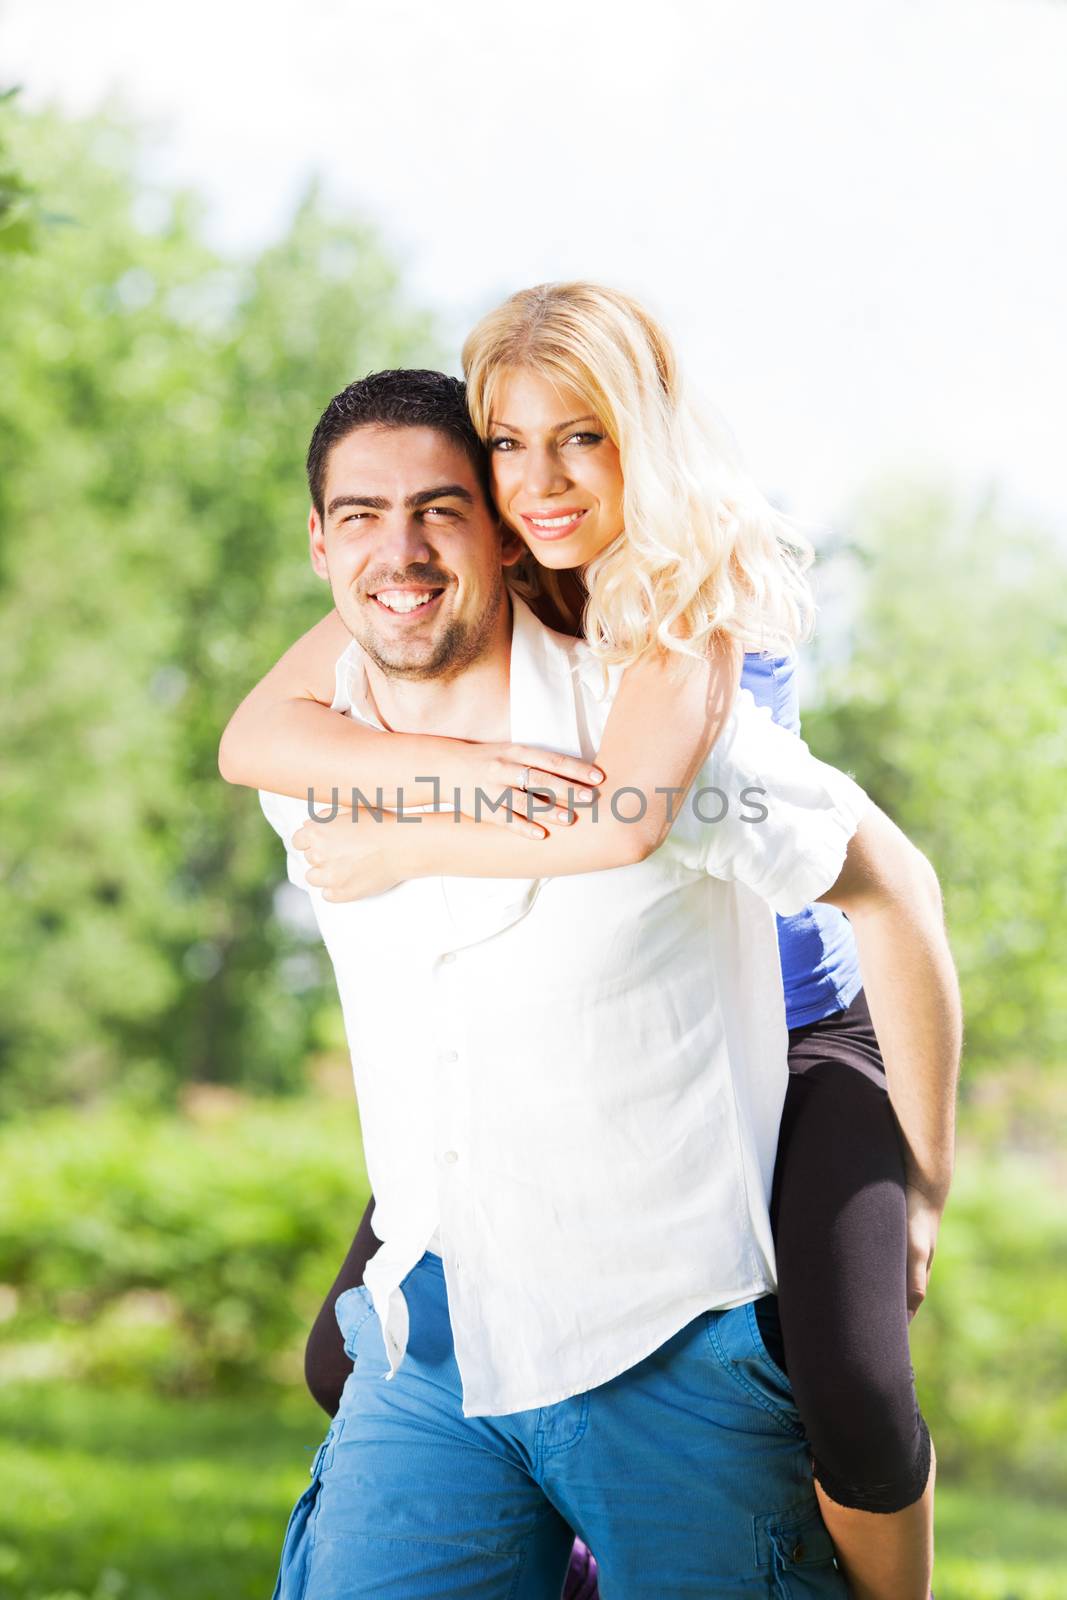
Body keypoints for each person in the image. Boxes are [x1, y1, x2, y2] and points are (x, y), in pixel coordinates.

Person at [221, 291, 959, 1598]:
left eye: (584, 439)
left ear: (644, 444)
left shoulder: (678, 623)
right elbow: (257, 737)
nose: (541, 481)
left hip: (800, 1015)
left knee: (849, 1379)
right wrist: (431, 769)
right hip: (562, 1128)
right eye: (507, 445)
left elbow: (631, 824)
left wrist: (409, 835)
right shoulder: (431, 579)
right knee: (350, 1356)